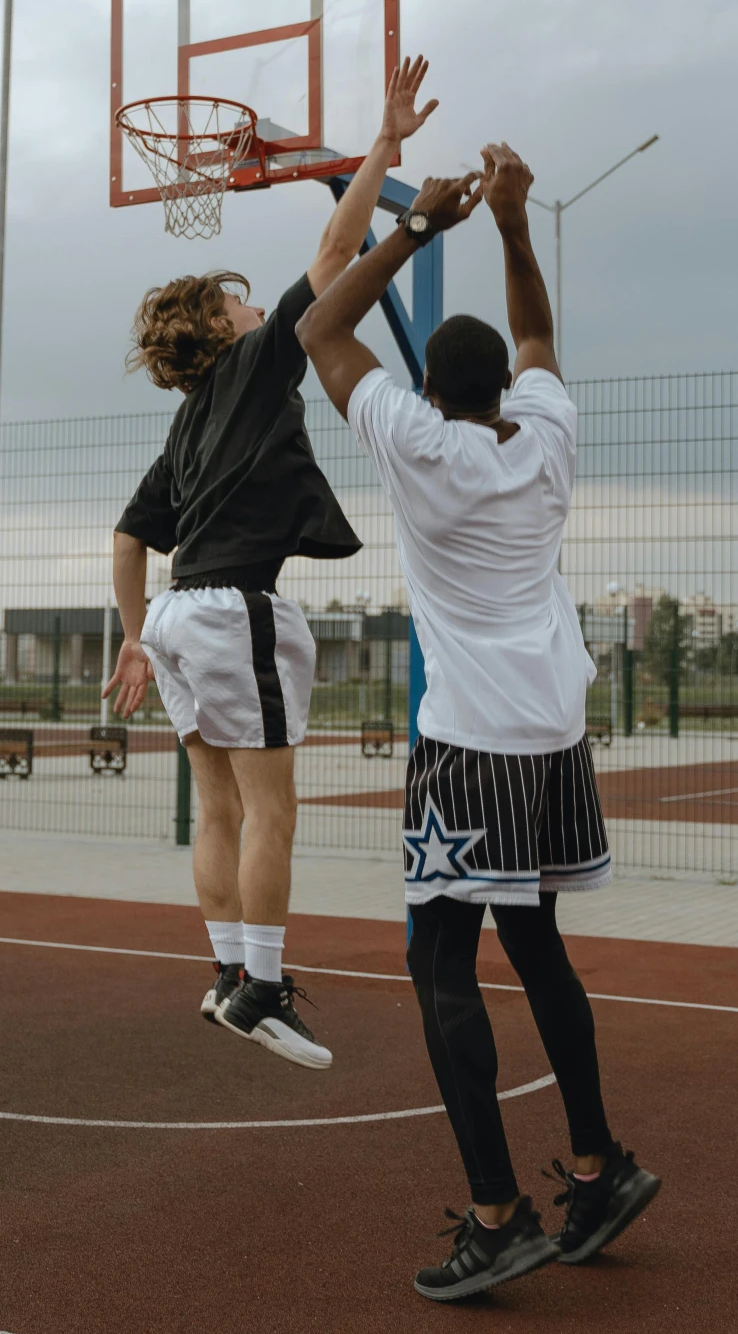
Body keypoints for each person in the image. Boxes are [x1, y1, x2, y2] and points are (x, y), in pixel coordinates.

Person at [296, 145, 661, 1299]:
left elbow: (318, 331)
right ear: (504, 386)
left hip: (468, 745)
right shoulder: (545, 436)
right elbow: (541, 335)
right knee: (537, 943)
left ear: (433, 390)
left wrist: (410, 232)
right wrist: (508, 223)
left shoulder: (414, 445)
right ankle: (597, 1166)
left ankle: (499, 1210)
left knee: (436, 957)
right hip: (554, 736)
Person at [105, 58, 441, 1071]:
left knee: (216, 806)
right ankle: (260, 985)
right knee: (272, 808)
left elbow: (128, 533)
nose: (256, 309)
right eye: (240, 304)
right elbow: (339, 249)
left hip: (173, 614)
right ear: (218, 330)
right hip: (228, 609)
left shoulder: (186, 423)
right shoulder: (249, 368)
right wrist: (382, 147)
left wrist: (131, 635)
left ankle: (224, 974)